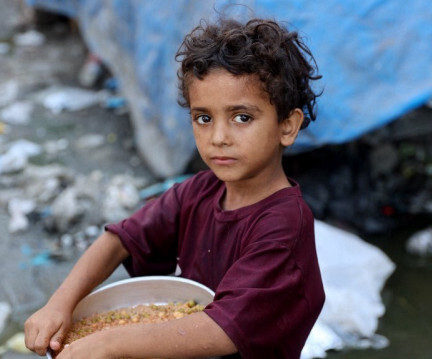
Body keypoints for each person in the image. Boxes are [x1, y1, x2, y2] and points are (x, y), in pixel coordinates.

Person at [25, 16, 325, 359]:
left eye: (242, 117)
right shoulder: (199, 191)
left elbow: (222, 331)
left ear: (287, 126)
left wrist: (108, 344)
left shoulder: (283, 226)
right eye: (203, 118)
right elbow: (119, 240)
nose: (219, 138)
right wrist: (59, 305)